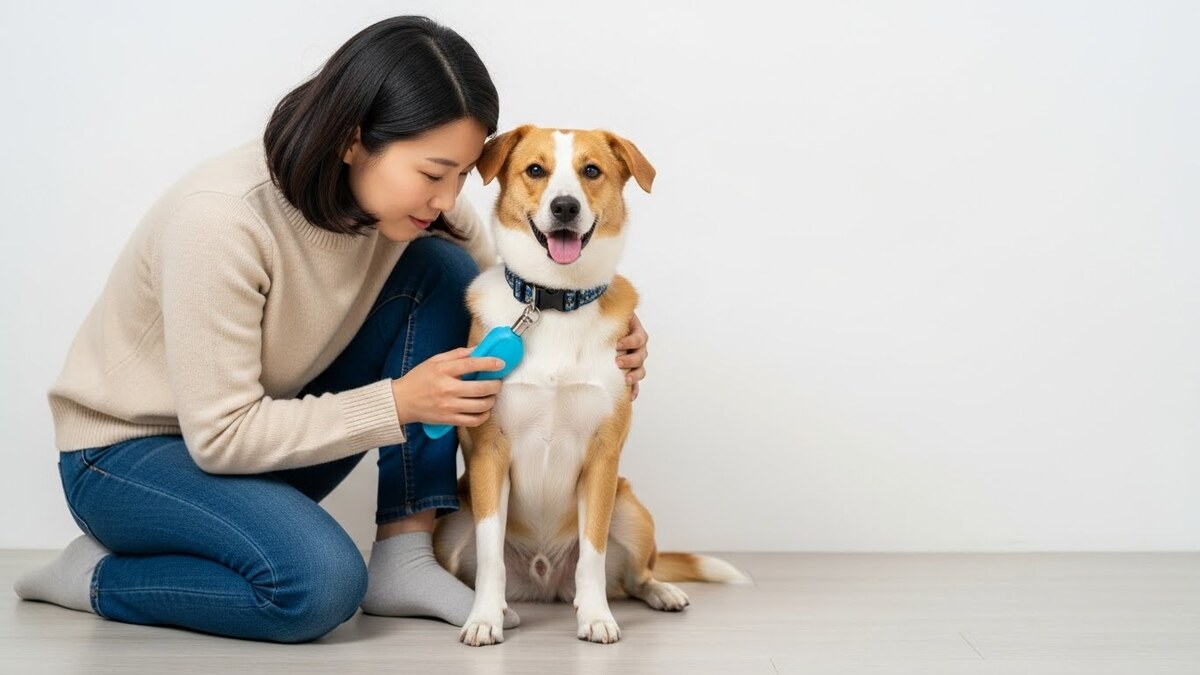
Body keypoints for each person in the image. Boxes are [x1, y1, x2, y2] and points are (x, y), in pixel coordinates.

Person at [13, 15, 650, 644]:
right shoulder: (219, 223)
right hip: (133, 456)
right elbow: (218, 436)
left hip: (262, 429)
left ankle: (406, 552)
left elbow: (510, 294)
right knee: (316, 586)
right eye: (433, 173)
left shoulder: (424, 207)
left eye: (461, 174)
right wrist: (398, 404)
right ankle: (95, 577)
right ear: (353, 141)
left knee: (444, 269)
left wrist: (605, 328)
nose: (449, 196)